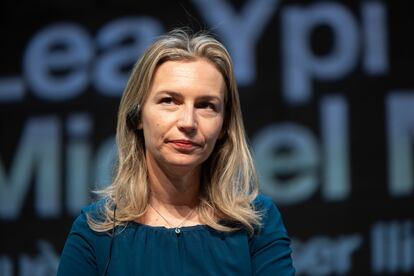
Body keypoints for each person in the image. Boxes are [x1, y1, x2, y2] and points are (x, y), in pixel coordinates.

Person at [57, 28, 295, 276]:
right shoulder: (95, 230)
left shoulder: (257, 222)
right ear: (137, 115)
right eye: (169, 101)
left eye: (206, 106)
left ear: (224, 126)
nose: (188, 122)